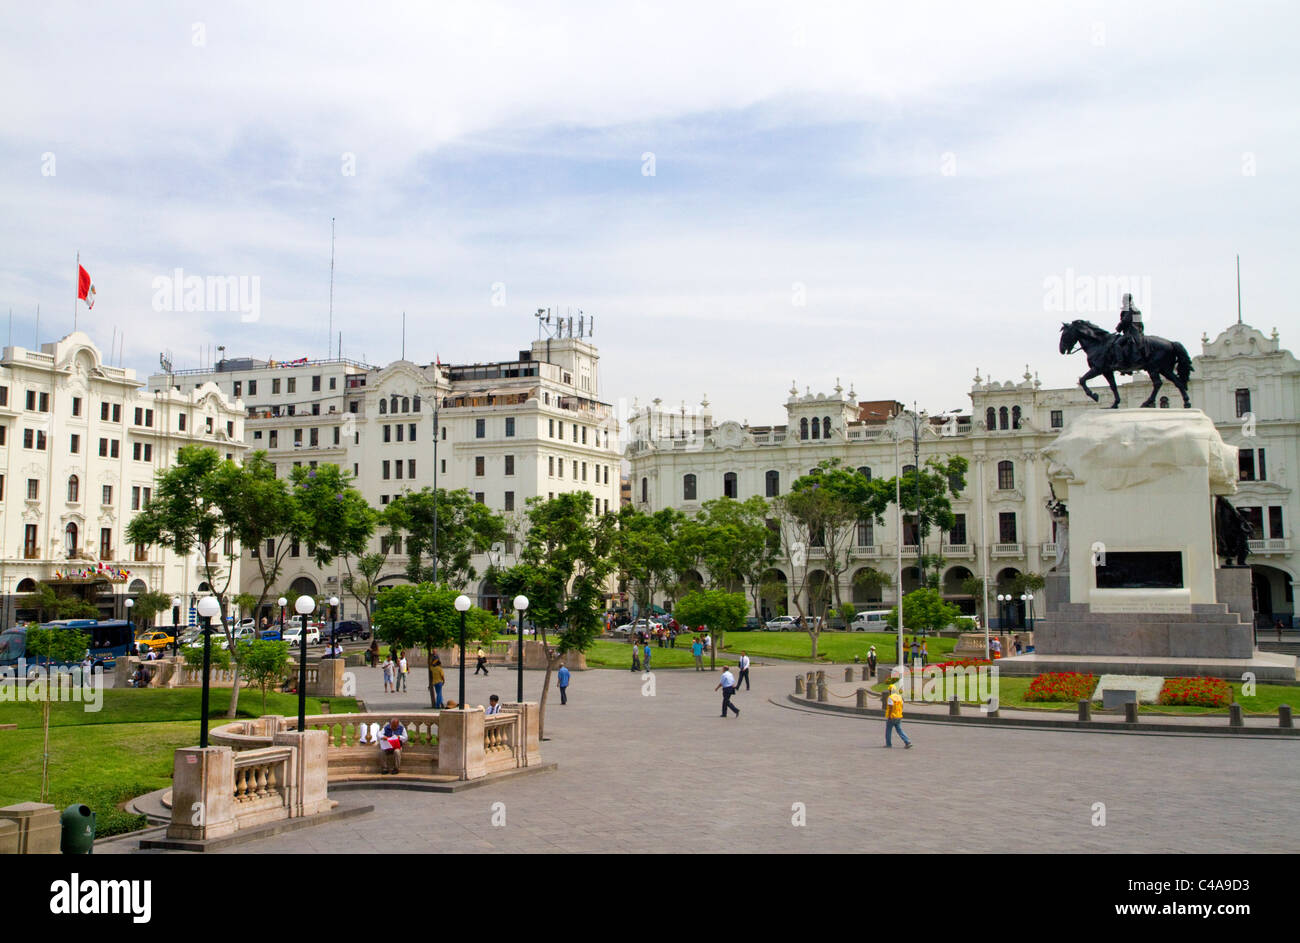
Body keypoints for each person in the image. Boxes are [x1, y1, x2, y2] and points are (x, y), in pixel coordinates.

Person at [883, 684, 912, 748]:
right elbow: (902, 706)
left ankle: (888, 744)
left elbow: (890, 707)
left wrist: (889, 715)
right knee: (899, 730)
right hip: (899, 716)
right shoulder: (899, 697)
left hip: (892, 716)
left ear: (890, 690)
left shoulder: (890, 697)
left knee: (888, 731)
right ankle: (907, 742)